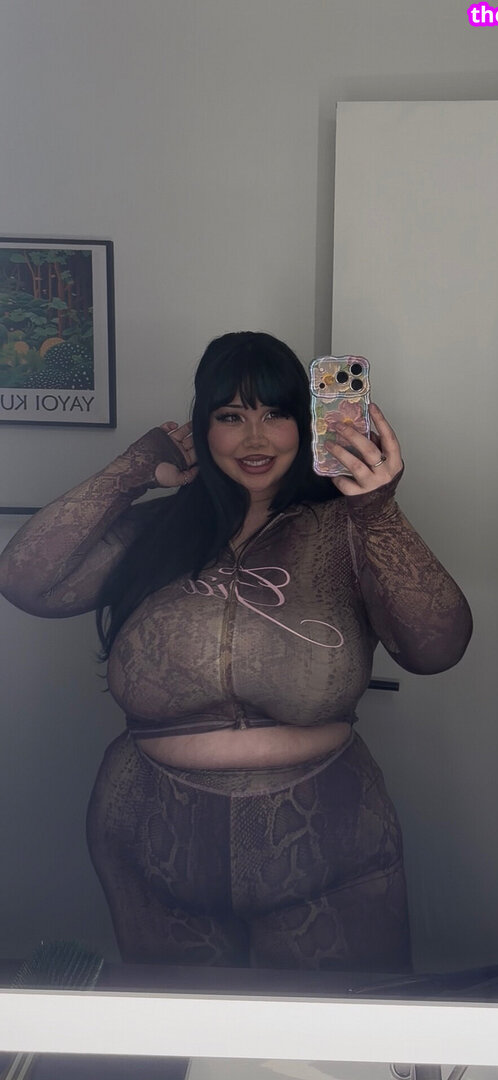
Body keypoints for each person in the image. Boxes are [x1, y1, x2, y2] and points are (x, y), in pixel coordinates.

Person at [0, 331, 472, 972]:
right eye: (230, 416)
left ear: (306, 421)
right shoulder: (159, 529)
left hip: (324, 838)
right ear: (202, 427)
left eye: (275, 413)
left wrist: (379, 513)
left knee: (335, 1033)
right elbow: (26, 580)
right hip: (151, 837)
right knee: (184, 1030)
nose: (255, 439)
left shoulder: (349, 527)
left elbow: (437, 647)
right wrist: (135, 467)